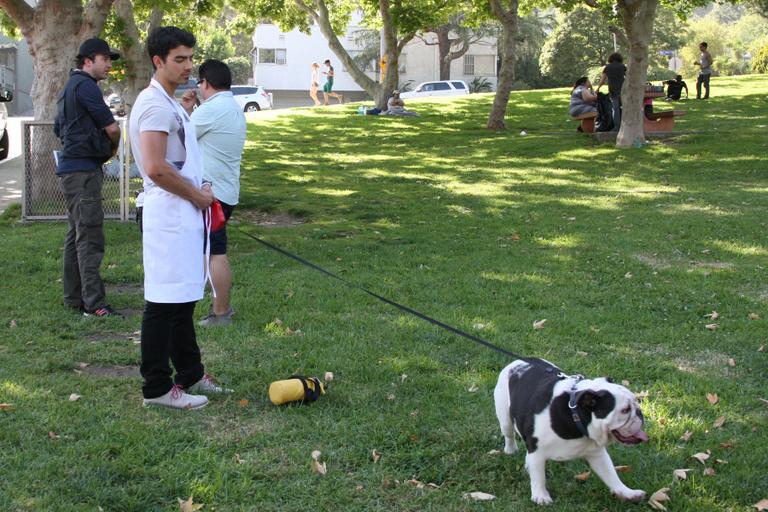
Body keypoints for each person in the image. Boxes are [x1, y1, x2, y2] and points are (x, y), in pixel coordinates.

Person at [128, 26, 229, 410]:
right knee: (163, 304)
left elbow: (175, 155)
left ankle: (190, 373)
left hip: (183, 213)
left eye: (190, 58)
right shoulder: (154, 105)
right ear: (158, 61)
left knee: (183, 300)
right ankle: (156, 387)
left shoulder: (169, 102)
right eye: (179, 59)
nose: (188, 66)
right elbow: (155, 168)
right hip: (169, 213)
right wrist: (198, 196)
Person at [53, 38, 122, 318]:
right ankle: (95, 305)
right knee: (90, 237)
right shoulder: (87, 87)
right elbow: (112, 127)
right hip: (82, 173)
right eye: (104, 59)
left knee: (76, 233)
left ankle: (73, 298)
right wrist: (113, 148)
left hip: (71, 170)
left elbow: (59, 129)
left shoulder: (68, 88)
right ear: (87, 61)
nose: (108, 65)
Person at [180, 59, 247, 327]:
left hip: (213, 196)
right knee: (212, 251)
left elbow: (179, 138)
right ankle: (220, 308)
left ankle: (221, 312)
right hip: (225, 191)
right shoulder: (230, 106)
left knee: (214, 253)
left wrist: (186, 110)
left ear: (205, 83)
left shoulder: (211, 110)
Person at [596, 52, 626, 131]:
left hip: (613, 90)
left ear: (610, 59)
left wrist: (598, 88)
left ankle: (617, 127)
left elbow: (602, 80)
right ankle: (626, 126)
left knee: (615, 109)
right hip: (623, 90)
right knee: (625, 108)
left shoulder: (607, 67)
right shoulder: (623, 66)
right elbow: (628, 78)